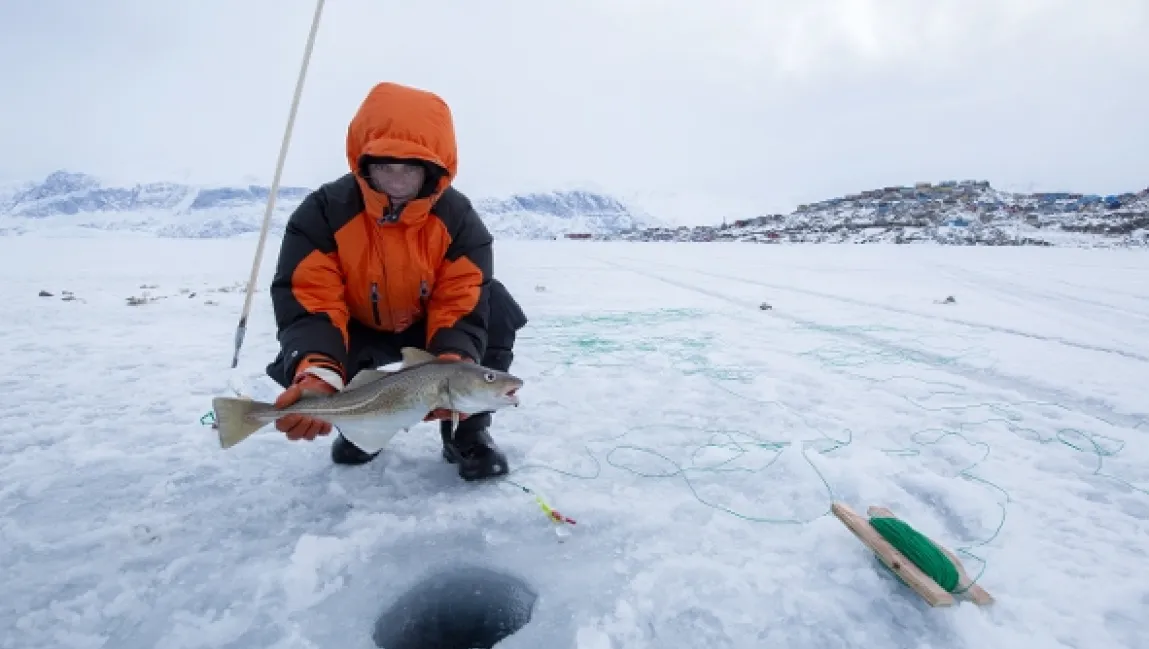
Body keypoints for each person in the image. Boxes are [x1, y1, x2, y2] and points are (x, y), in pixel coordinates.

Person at [262, 81, 528, 481]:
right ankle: (360, 426)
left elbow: (461, 297)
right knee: (321, 353)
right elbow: (311, 297)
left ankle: (467, 431)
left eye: (411, 168)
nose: (398, 181)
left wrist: (453, 359)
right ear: (364, 162)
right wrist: (318, 369)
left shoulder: (458, 218)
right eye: (386, 167)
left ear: (434, 169)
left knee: (497, 306)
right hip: (354, 330)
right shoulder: (323, 212)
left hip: (427, 327)